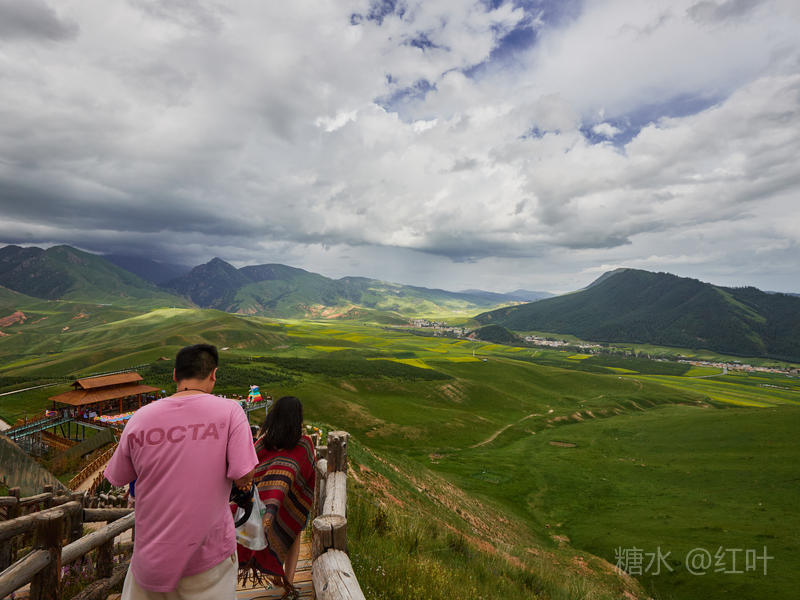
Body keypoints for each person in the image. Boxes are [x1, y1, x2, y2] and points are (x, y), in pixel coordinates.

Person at [105, 344, 258, 599]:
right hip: (207, 557)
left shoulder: (140, 418)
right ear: (214, 374)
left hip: (150, 559)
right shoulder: (230, 411)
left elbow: (119, 476)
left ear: (175, 375)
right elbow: (244, 475)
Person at [237, 396, 316, 600]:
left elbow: (250, 465)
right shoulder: (305, 443)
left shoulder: (264, 442)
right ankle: (288, 581)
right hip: (293, 503)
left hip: (265, 505)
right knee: (293, 535)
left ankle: (278, 575)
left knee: (273, 534)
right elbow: (310, 472)